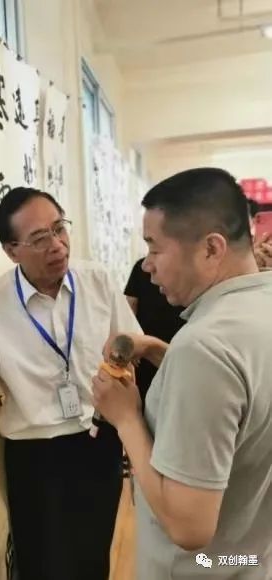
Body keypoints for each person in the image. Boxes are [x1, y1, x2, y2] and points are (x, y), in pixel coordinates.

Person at [0, 187, 141, 580]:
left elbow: (130, 346)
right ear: (12, 250)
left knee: (93, 561)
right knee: (43, 567)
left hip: (99, 442)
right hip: (37, 458)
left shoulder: (97, 281)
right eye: (39, 238)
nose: (57, 244)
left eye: (59, 228)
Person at [92, 168, 272, 579]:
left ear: (211, 248)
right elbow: (241, 396)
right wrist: (162, 352)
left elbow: (189, 528)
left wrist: (125, 418)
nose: (147, 266)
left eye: (154, 248)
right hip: (249, 559)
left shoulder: (204, 347)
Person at [124, 257, 185, 403]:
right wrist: (132, 342)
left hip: (177, 348)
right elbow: (129, 308)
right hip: (143, 353)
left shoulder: (185, 271)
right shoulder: (141, 267)